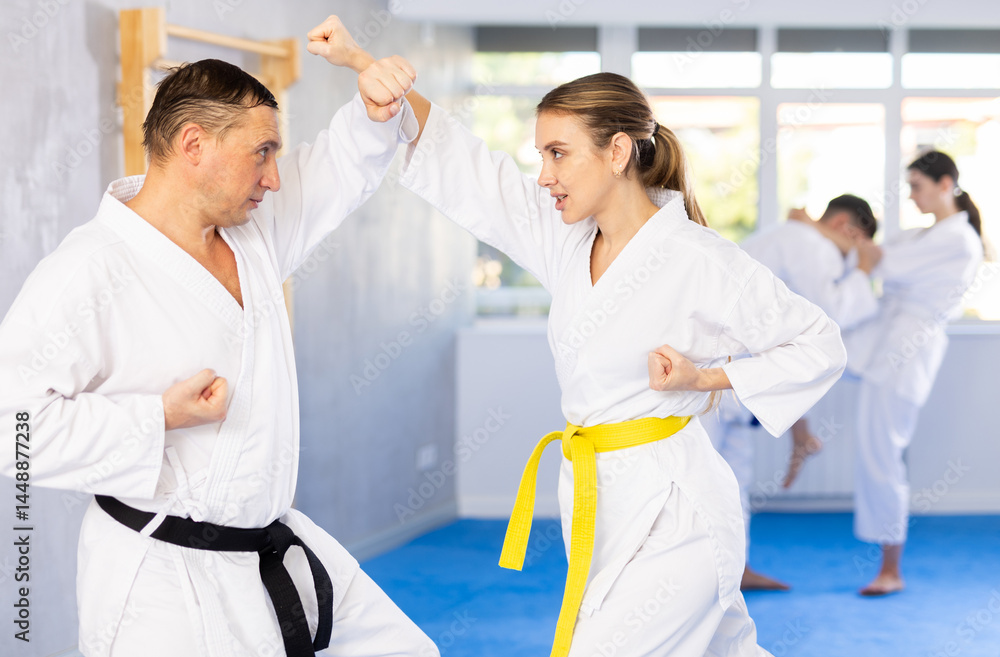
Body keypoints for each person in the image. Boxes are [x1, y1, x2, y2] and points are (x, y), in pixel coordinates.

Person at [325, 31, 847, 656]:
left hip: (676, 515)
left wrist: (704, 379)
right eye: (540, 157)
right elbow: (472, 171)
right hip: (598, 500)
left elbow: (819, 343)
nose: (543, 176)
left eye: (557, 154)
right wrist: (367, 68)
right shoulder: (567, 239)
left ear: (617, 151)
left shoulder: (697, 257)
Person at [0, 18, 438, 657]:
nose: (275, 177)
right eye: (262, 153)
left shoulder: (251, 233)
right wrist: (156, 418)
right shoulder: (89, 269)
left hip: (270, 542)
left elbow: (334, 172)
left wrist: (374, 110)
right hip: (163, 581)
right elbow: (14, 430)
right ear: (193, 144)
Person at [706, 194, 883, 590]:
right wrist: (865, 272)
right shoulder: (809, 244)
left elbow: (787, 341)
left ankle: (734, 570)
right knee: (702, 474)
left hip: (731, 375)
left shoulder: (794, 236)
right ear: (846, 228)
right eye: (857, 246)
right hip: (709, 371)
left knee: (734, 478)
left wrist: (798, 427)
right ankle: (688, 580)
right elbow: (830, 313)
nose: (854, 258)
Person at [840, 151, 983, 596]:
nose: (912, 195)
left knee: (884, 456)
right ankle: (887, 565)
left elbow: (881, 260)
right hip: (891, 346)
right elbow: (877, 251)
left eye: (918, 186)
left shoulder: (957, 240)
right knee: (877, 454)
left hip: (908, 352)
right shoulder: (930, 233)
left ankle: (891, 569)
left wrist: (842, 239)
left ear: (946, 185)